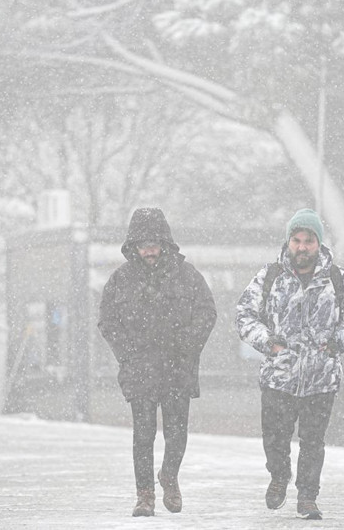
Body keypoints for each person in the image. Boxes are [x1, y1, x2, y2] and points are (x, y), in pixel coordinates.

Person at [235, 208, 344, 520]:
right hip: (278, 376)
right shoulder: (270, 276)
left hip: (321, 377)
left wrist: (338, 342)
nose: (302, 247)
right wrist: (269, 342)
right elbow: (244, 314)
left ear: (318, 243)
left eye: (309, 240)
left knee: (313, 443)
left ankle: (308, 497)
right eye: (297, 240)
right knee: (275, 438)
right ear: (289, 242)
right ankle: (279, 476)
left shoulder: (337, 278)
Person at [98, 208, 217, 517]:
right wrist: (127, 353)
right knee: (143, 435)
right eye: (143, 244)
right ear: (133, 246)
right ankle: (145, 495)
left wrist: (187, 345)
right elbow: (107, 321)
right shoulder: (120, 280)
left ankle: (169, 476)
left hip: (178, 368)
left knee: (176, 433)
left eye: (154, 243)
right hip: (140, 370)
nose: (149, 251)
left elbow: (207, 313)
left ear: (165, 243)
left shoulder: (188, 276)